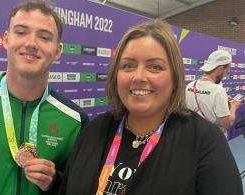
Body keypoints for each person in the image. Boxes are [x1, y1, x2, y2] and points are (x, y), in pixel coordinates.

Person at [59, 20, 243, 195]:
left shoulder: (204, 140)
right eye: (128, 65)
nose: (138, 76)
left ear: (175, 77)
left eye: (155, 67)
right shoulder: (96, 129)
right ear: (116, 75)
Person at [0, 1, 88, 195]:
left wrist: (54, 182)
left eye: (44, 37)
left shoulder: (75, 120)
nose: (31, 43)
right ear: (5, 39)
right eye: (21, 32)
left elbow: (74, 187)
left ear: (57, 51)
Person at [185, 50, 241, 135]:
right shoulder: (218, 90)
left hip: (192, 137)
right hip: (212, 141)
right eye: (227, 71)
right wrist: (234, 106)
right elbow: (227, 124)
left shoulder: (190, 85)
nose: (226, 75)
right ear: (220, 69)